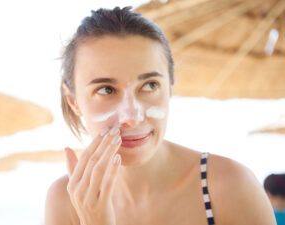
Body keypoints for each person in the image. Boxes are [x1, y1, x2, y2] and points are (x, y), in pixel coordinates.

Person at [45, 6, 276, 225]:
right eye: (106, 89)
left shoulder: (231, 187)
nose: (132, 116)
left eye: (150, 85)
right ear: (73, 101)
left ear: (170, 87)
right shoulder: (65, 201)